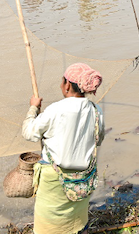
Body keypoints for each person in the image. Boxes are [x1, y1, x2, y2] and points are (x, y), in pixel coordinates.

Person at [22, 63, 104, 234]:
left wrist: (33, 108)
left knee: (49, 225)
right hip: (83, 179)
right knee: (77, 221)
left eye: (62, 81)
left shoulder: (56, 110)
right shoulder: (96, 111)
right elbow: (99, 138)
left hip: (55, 179)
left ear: (67, 85)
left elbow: (29, 133)